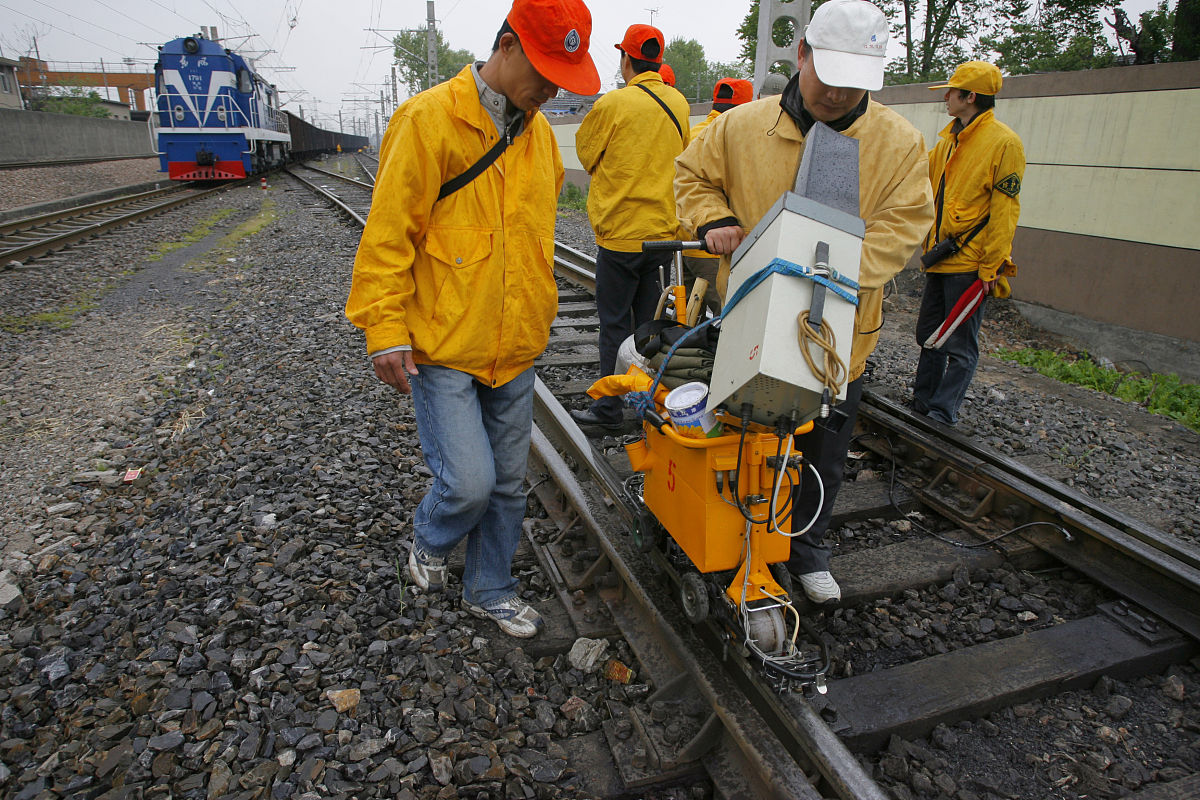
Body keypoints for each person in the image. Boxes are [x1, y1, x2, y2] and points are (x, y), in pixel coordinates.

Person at [345, 0, 599, 638]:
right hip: (445, 346)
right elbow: (388, 236)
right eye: (544, 72)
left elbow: (532, 238)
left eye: (563, 78)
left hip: (515, 347)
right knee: (468, 484)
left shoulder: (539, 137)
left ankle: (490, 587)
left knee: (508, 485)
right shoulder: (428, 120)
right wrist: (384, 329)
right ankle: (429, 537)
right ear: (507, 45)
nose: (553, 89)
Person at [675, 0, 934, 604]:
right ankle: (739, 543)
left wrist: (832, 276)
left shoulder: (898, 144)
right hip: (747, 319)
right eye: (828, 76)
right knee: (745, 435)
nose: (837, 94)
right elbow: (692, 176)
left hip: (839, 335)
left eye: (853, 83)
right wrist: (713, 218)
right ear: (802, 54)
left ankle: (807, 549)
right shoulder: (741, 127)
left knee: (823, 449)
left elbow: (906, 223)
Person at [570, 24, 692, 433]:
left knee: (615, 325)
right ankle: (647, 410)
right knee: (648, 329)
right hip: (662, 236)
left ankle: (608, 412)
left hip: (621, 237)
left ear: (626, 59)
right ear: (658, 60)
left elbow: (586, 155)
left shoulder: (613, 104)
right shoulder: (678, 103)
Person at [912, 61, 1025, 425]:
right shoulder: (949, 140)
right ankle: (922, 403)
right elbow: (919, 175)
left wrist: (991, 266)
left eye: (951, 91)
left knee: (960, 346)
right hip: (940, 257)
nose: (946, 96)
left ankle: (942, 413)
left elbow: (1005, 211)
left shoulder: (1004, 143)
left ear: (971, 97)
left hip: (971, 264)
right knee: (929, 335)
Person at [682, 77, 754, 318]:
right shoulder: (738, 138)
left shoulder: (695, 133)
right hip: (716, 248)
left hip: (686, 242)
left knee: (689, 321)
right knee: (730, 317)